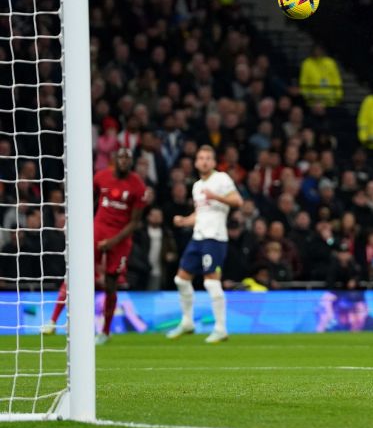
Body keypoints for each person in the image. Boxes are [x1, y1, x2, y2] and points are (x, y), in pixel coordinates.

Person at [42, 148, 147, 345]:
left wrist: (113, 241)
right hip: (97, 230)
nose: (124, 160)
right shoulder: (101, 177)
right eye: (121, 157)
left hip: (121, 237)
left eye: (127, 158)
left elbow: (135, 222)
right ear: (114, 159)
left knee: (111, 283)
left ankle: (105, 331)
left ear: (131, 162)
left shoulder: (138, 186)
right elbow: (86, 200)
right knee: (76, 272)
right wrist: (82, 225)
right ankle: (52, 320)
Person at [166, 145, 243, 344]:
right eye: (201, 158)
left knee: (211, 281)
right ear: (196, 162)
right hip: (198, 236)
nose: (204, 161)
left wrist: (216, 196)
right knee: (181, 279)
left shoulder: (221, 179)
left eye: (208, 158)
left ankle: (220, 328)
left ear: (214, 162)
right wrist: (184, 221)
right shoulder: (197, 186)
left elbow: (238, 201)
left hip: (215, 237)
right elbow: (200, 214)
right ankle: (187, 321)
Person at [299, 43, 343, 107]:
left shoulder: (330, 63)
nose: (318, 52)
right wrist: (312, 101)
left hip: (330, 102)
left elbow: (337, 81)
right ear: (312, 50)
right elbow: (303, 83)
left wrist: (337, 98)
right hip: (313, 103)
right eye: (316, 50)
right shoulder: (306, 63)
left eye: (319, 49)